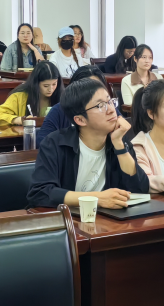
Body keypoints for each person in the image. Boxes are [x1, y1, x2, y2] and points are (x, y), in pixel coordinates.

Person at [27, 78, 148, 209]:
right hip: (68, 218)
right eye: (100, 106)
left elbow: (140, 189)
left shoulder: (118, 140)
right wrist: (96, 198)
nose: (111, 110)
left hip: (106, 218)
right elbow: (40, 193)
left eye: (110, 101)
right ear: (80, 120)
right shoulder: (54, 144)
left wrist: (119, 145)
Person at [37, 65, 112, 147]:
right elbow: (42, 143)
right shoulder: (59, 111)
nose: (96, 94)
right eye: (89, 90)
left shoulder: (110, 108)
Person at [0, 60, 62, 127]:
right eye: (46, 86)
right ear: (36, 84)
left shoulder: (62, 97)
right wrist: (21, 120)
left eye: (54, 84)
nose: (50, 89)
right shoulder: (19, 97)